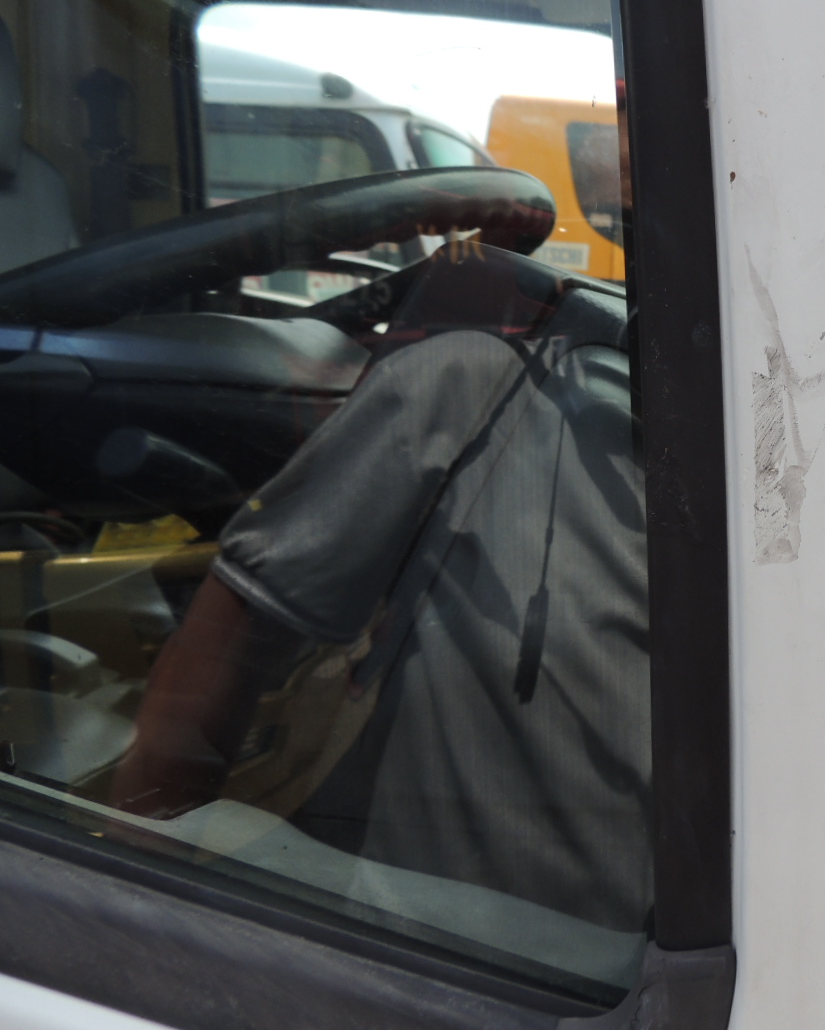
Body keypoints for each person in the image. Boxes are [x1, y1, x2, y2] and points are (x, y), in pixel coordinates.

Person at [110, 236, 652, 934]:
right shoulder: (480, 392)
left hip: (420, 955)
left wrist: (119, 914)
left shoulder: (471, 387)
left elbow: (226, 643)